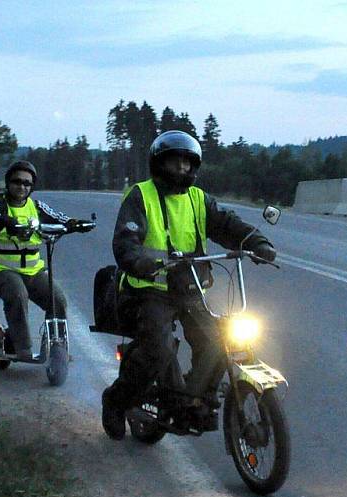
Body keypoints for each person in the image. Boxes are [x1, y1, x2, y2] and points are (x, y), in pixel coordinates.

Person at [101, 131, 277, 439]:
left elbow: (226, 224)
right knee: (158, 350)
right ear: (159, 163)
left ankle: (191, 398)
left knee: (220, 341)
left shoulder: (198, 199)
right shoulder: (141, 196)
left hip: (191, 289)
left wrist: (257, 243)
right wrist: (141, 259)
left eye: (187, 163)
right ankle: (116, 401)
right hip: (148, 291)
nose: (182, 169)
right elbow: (126, 241)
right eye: (175, 162)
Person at [0, 160, 91, 360]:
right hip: (1, 269)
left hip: (33, 271)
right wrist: (4, 222)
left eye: (27, 184)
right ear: (8, 183)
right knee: (18, 295)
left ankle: (56, 347)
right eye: (17, 182)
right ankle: (23, 349)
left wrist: (76, 224)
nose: (21, 187)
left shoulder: (37, 206)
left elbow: (60, 218)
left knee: (58, 300)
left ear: (32, 186)